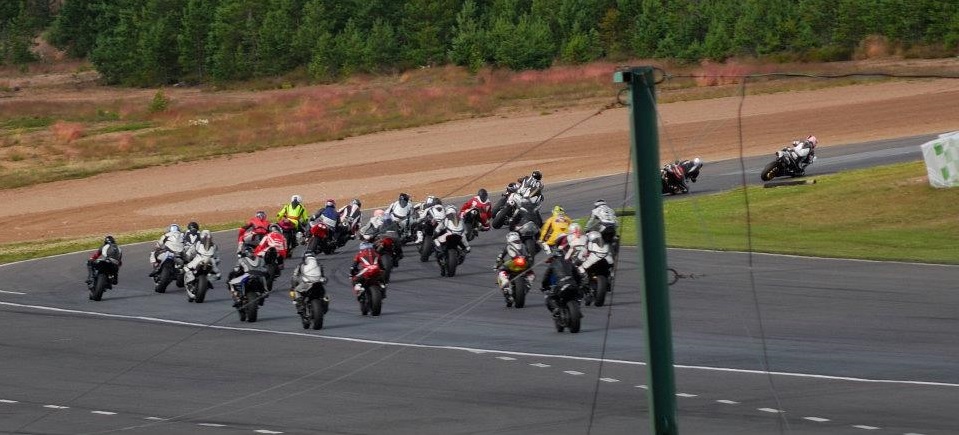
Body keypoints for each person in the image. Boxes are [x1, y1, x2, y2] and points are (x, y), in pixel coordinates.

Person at [494, 231, 531, 306]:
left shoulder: (508, 246)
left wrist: (497, 265)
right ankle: (527, 285)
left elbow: (500, 256)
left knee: (501, 271)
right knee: (531, 273)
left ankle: (506, 289)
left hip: (513, 263)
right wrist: (529, 262)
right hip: (524, 264)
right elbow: (529, 256)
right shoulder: (523, 245)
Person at [540, 249, 580, 317]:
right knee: (578, 295)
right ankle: (577, 308)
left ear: (554, 257)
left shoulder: (553, 264)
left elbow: (546, 277)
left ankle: (556, 309)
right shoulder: (570, 263)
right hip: (573, 285)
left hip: (561, 285)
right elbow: (577, 275)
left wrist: (544, 286)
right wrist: (578, 284)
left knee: (549, 297)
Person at [290, 252, 327, 316]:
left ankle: (300, 306)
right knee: (324, 296)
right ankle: (325, 303)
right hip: (318, 283)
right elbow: (323, 276)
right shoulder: (319, 264)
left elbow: (294, 276)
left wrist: (293, 285)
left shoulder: (300, 265)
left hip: (307, 284)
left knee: (296, 290)